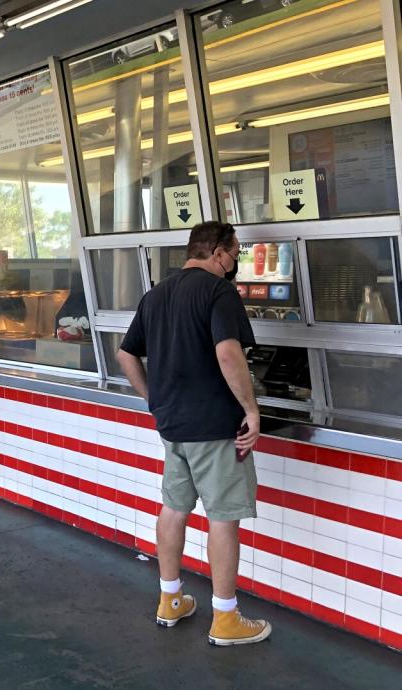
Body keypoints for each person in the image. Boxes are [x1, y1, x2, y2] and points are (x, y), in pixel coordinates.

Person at [115, 221, 271, 647]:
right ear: (219, 252)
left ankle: (170, 600)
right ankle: (225, 618)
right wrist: (251, 409)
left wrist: (154, 397)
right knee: (222, 517)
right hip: (216, 427)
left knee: (174, 507)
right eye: (235, 254)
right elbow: (227, 352)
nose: (234, 262)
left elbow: (125, 353)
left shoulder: (157, 294)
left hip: (174, 427)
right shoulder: (219, 292)